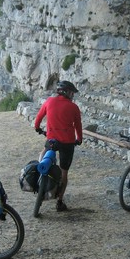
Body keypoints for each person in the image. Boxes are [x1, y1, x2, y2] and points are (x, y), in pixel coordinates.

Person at [34, 80, 83, 211]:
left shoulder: (49, 101)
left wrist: (38, 128)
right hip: (67, 143)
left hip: (52, 140)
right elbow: (77, 126)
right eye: (72, 93)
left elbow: (38, 119)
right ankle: (59, 201)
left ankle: (40, 175)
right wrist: (79, 139)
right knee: (64, 173)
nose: (73, 95)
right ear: (67, 92)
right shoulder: (74, 107)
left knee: (42, 153)